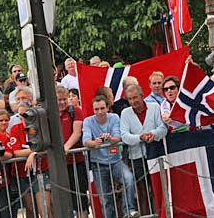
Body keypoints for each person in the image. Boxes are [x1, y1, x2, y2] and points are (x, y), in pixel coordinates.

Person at [82, 95, 140, 218]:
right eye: (96, 109)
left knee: (128, 179)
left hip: (115, 161)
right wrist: (95, 142)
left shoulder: (114, 118)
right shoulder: (88, 121)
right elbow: (85, 141)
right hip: (98, 164)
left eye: (102, 108)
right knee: (105, 199)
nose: (100, 112)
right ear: (93, 110)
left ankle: (128, 211)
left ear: (108, 108)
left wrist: (110, 139)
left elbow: (118, 137)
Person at [120, 85, 167, 215]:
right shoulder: (125, 113)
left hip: (156, 154)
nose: (133, 101)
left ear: (142, 96)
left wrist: (153, 134)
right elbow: (124, 136)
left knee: (158, 188)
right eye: (130, 99)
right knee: (142, 190)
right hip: (136, 157)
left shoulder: (155, 107)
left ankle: (162, 214)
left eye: (135, 97)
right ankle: (146, 215)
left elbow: (163, 128)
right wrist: (140, 137)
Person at [9, 102, 50, 218]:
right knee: (30, 210)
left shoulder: (41, 126)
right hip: (24, 174)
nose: (22, 118)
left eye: (25, 114)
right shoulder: (15, 129)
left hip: (41, 172)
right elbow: (16, 152)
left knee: (45, 210)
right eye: (20, 115)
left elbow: (47, 147)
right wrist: (34, 151)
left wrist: (34, 153)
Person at [56, 86, 88, 217]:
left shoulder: (75, 111)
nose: (62, 103)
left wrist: (66, 147)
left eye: (65, 99)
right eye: (59, 100)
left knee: (80, 198)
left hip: (76, 161)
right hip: (58, 164)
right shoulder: (50, 114)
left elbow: (77, 132)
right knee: (62, 199)